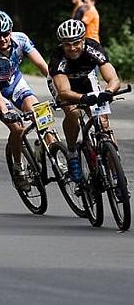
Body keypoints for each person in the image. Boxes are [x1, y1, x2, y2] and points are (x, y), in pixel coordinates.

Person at [0, 10, 51, 189]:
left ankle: (50, 151)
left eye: (5, 33)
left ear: (11, 30)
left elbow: (42, 66)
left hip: (14, 80)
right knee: (17, 128)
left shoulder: (21, 39)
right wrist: (5, 112)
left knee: (41, 114)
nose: (2, 38)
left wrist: (57, 87)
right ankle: (18, 169)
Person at [48, 19, 121, 182]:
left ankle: (116, 174)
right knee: (73, 113)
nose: (72, 48)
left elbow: (113, 78)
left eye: (76, 43)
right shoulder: (58, 57)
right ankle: (73, 152)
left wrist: (108, 92)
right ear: (62, 45)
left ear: (83, 40)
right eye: (67, 44)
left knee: (102, 123)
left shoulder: (93, 48)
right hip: (65, 86)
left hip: (86, 80)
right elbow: (64, 91)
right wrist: (83, 98)